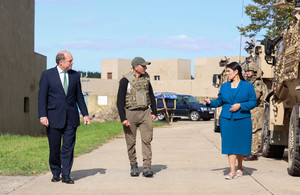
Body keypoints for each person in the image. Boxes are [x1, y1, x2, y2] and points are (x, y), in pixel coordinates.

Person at [38, 51, 90, 184]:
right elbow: (42, 97)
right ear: (61, 62)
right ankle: (56, 172)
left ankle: (66, 174)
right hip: (53, 117)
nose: (72, 63)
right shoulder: (47, 75)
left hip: (71, 118)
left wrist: (85, 114)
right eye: (70, 61)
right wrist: (42, 115)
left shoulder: (74, 75)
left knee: (68, 147)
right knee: (54, 147)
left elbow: (79, 96)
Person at [204, 62, 257, 180]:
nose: (227, 74)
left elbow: (253, 102)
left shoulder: (247, 86)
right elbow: (219, 102)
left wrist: (241, 105)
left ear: (236, 71)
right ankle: (232, 171)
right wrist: (210, 102)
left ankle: (240, 167)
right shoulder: (224, 86)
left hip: (243, 119)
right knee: (229, 145)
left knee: (240, 145)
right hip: (226, 119)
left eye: (228, 71)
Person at [117, 57, 157, 177]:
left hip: (145, 112)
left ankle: (147, 167)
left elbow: (151, 95)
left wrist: (154, 111)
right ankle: (133, 165)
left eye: (145, 66)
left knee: (147, 140)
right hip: (130, 113)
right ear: (136, 67)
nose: (145, 68)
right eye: (143, 66)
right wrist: (123, 118)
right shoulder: (125, 80)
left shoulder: (146, 78)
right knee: (130, 142)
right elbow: (119, 101)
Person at [244, 62, 268, 161]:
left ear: (254, 72)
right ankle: (258, 148)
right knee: (258, 131)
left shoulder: (257, 83)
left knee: (253, 130)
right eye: (246, 71)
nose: (247, 73)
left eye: (249, 71)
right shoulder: (251, 82)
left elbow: (255, 96)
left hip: (256, 109)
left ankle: (253, 154)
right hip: (256, 109)